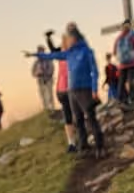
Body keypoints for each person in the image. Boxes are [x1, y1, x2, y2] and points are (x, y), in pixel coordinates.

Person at [28, 24, 106, 157]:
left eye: (68, 38)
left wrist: (94, 89)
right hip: (72, 91)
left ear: (74, 38)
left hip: (85, 89)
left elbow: (95, 71)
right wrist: (35, 54)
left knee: (91, 118)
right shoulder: (69, 53)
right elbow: (52, 55)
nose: (66, 41)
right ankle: (84, 147)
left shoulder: (87, 52)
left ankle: (100, 147)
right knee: (78, 120)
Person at [113, 18, 134, 108]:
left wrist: (119, 58)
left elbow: (114, 51)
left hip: (122, 64)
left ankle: (121, 99)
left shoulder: (118, 37)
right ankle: (132, 98)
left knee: (121, 82)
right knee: (131, 80)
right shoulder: (133, 36)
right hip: (132, 63)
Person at [31, 46, 56, 113]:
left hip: (48, 80)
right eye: (40, 51)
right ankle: (46, 109)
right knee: (42, 95)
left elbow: (52, 70)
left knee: (49, 95)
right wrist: (37, 73)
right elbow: (33, 72)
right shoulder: (36, 63)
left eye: (42, 51)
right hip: (40, 81)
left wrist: (45, 73)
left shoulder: (48, 60)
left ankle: (52, 109)